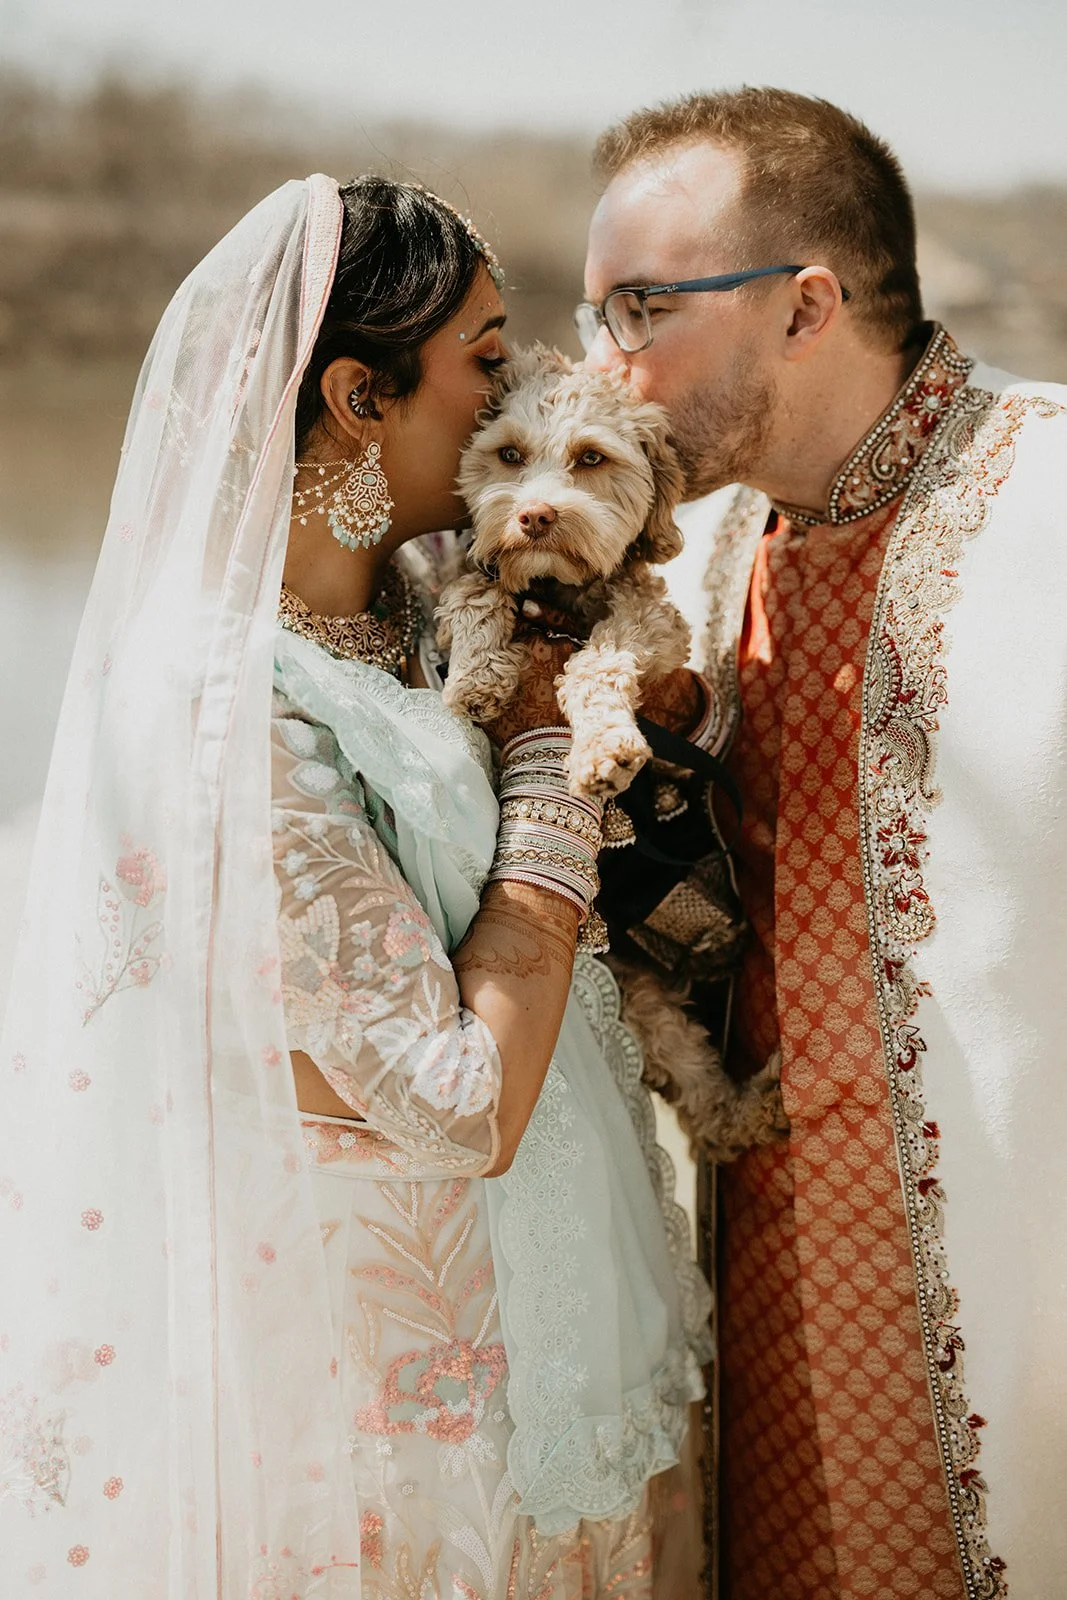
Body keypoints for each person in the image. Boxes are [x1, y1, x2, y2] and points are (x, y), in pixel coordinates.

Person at [0, 174, 712, 1599]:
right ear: (357, 396)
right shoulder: (221, 704)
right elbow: (450, 1102)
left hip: (576, 1343)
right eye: (487, 358)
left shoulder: (420, 611)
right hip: (411, 1418)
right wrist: (542, 789)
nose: (518, 390)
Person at [578, 87, 1067, 1600]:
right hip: (767, 1294)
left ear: (805, 308)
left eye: (642, 309)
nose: (606, 365)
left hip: (1018, 1306)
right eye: (595, 313)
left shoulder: (1049, 507)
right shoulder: (692, 549)